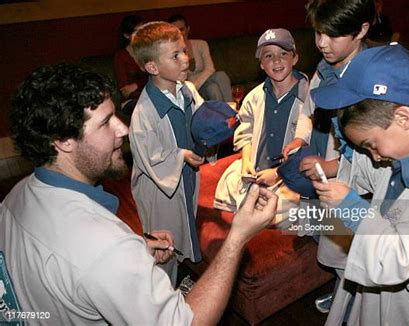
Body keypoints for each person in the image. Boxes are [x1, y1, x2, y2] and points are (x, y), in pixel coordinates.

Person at [0, 63, 277, 325]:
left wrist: (134, 254)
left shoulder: (16, 196)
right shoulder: (105, 248)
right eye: (106, 122)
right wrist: (237, 237)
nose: (124, 129)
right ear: (62, 142)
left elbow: (64, 271)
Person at [312, 44, 409, 325]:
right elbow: (386, 182)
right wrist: (353, 151)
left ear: (402, 118)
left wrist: (352, 209)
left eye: (371, 145)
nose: (375, 155)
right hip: (374, 295)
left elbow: (397, 260)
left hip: (395, 311)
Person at [281, 0, 375, 313]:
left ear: (362, 29)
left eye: (333, 34)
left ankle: (350, 299)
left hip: (352, 178)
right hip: (324, 162)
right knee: (329, 237)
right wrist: (299, 138)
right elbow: (308, 111)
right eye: (318, 32)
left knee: (351, 244)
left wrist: (333, 165)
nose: (321, 43)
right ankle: (343, 287)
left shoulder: (372, 78)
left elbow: (377, 150)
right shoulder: (324, 67)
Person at [128, 21, 207, 285]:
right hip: (160, 191)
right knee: (164, 243)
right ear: (152, 67)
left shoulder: (188, 90)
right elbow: (152, 159)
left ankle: (182, 279)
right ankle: (162, 291)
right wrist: (181, 156)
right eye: (175, 55)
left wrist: (214, 127)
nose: (186, 59)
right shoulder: (144, 113)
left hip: (185, 179)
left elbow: (201, 122)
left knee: (185, 226)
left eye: (184, 51)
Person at [213, 28, 308, 225]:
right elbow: (245, 131)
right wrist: (247, 160)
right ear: (262, 64)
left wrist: (277, 173)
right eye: (268, 56)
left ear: (295, 58)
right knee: (229, 186)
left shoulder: (309, 97)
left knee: (289, 211)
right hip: (257, 168)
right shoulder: (255, 96)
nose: (277, 61)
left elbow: (311, 145)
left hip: (289, 172)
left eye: (283, 54)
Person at [168, 14, 233, 102]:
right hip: (189, 89)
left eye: (181, 29)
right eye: (175, 31)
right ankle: (226, 114)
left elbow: (210, 69)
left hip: (205, 81)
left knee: (220, 76)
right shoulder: (170, 53)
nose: (179, 33)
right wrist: (192, 89)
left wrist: (195, 86)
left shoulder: (201, 44)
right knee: (213, 89)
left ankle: (231, 109)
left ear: (188, 29)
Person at [113, 15, 148, 115]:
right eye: (137, 32)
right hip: (131, 102)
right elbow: (125, 91)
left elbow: (157, 78)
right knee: (147, 107)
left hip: (151, 96)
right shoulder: (121, 56)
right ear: (127, 35)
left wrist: (136, 85)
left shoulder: (148, 52)